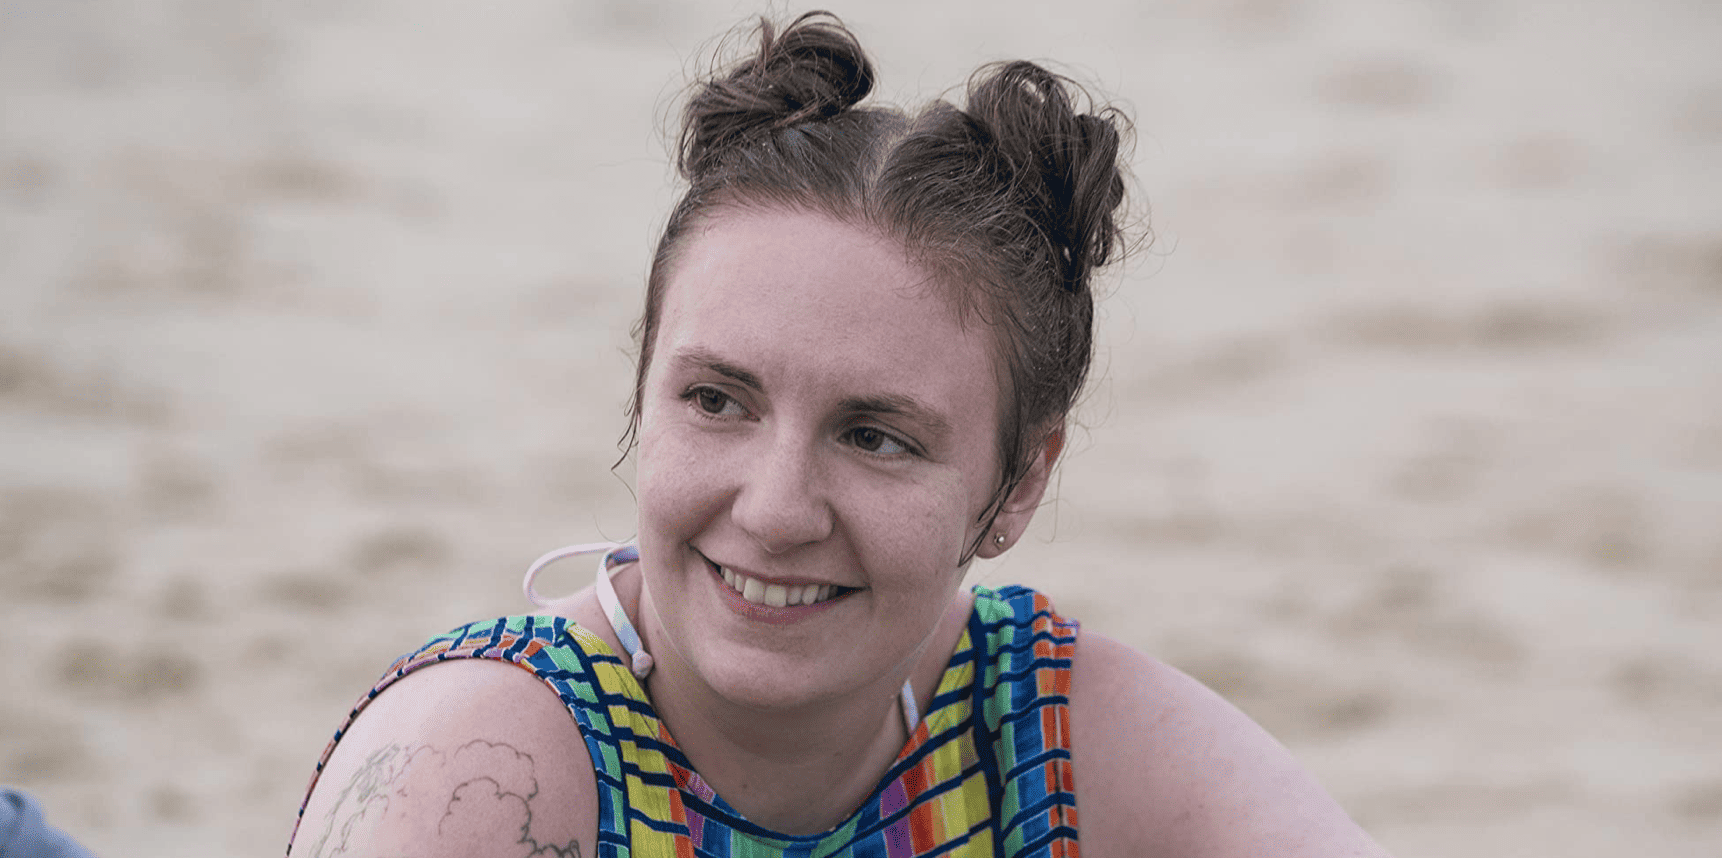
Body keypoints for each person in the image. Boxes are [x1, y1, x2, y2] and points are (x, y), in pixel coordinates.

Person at [287, 11, 1390, 858]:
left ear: (1017, 484)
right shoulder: (480, 775)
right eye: (717, 400)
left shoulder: (1042, 739)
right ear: (640, 387)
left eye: (875, 436)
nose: (772, 509)